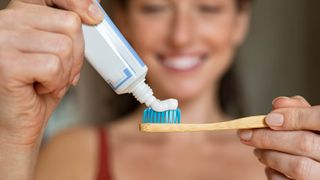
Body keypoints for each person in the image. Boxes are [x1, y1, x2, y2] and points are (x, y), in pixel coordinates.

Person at [0, 0, 319, 180]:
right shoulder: (74, 151)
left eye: (208, 8)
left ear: (240, 22)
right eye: (155, 8)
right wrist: (13, 137)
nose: (181, 36)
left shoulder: (286, 160)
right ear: (120, 21)